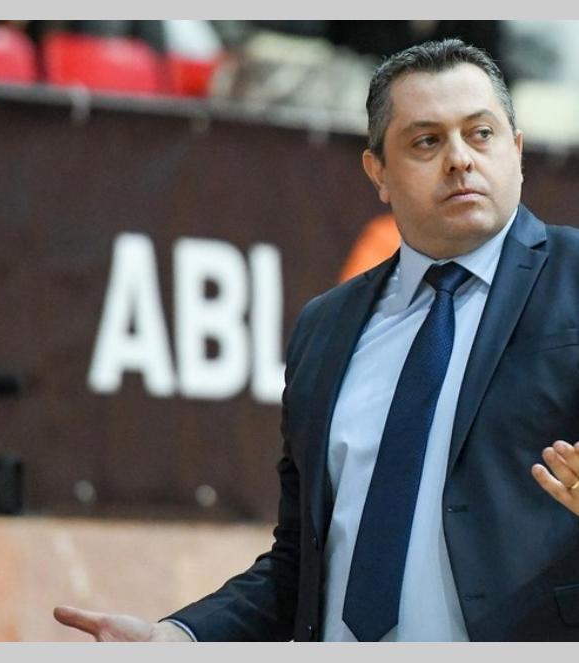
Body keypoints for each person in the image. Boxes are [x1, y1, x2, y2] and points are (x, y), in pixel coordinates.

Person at [54, 38, 579, 641]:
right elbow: (299, 562)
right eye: (427, 141)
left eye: (480, 133)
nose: (459, 159)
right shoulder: (326, 328)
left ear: (517, 150)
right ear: (378, 172)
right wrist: (180, 637)